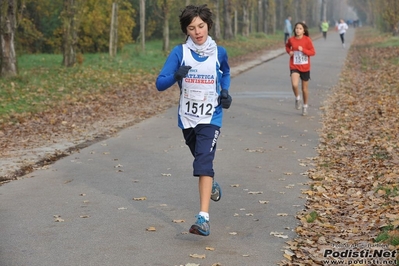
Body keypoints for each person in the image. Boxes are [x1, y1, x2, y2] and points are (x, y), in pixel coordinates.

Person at [155, 4, 232, 236]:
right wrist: (175, 76)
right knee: (202, 163)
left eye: (201, 26)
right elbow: (160, 83)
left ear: (208, 25)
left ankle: (203, 219)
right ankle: (212, 184)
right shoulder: (180, 53)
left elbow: (226, 72)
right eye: (192, 28)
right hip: (188, 119)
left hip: (211, 117)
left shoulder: (220, 52)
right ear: (186, 31)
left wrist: (225, 93)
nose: (198, 32)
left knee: (202, 164)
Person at [285, 22, 316, 116]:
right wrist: (289, 51)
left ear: (304, 30)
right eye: (296, 28)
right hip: (294, 65)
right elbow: (287, 46)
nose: (298, 30)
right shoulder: (291, 40)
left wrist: (303, 50)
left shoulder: (307, 40)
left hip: (305, 66)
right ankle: (297, 98)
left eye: (300, 28)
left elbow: (313, 52)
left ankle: (305, 106)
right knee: (294, 85)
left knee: (304, 89)